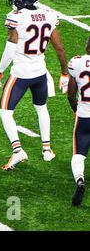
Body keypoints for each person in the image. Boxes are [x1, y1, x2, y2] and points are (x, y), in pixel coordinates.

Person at [0, 0, 68, 171]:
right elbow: (59, 48)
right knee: (41, 108)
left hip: (20, 73)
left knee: (5, 111)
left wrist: (0, 71)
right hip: (40, 72)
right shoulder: (50, 16)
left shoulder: (15, 17)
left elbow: (10, 49)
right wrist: (64, 72)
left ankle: (18, 150)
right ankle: (47, 150)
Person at [67, 36, 90, 206]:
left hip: (84, 115)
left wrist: (76, 111)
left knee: (79, 155)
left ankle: (80, 181)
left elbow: (70, 94)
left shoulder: (77, 62)